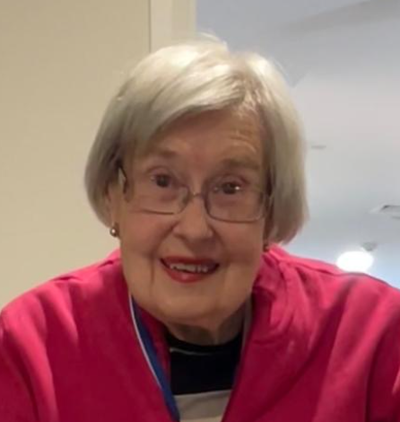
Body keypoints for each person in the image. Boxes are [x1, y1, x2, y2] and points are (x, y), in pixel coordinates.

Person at [1, 38, 399, 422]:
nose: (194, 229)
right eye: (162, 181)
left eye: (230, 188)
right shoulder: (34, 345)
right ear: (112, 195)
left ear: (272, 208)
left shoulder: (370, 334)